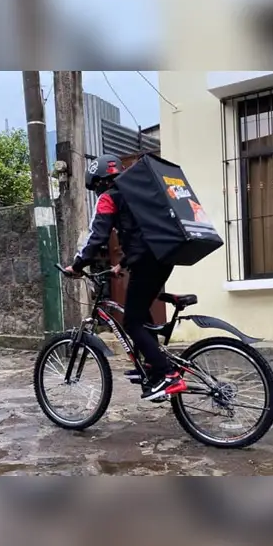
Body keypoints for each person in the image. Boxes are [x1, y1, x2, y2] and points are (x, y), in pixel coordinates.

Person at [63, 154, 187, 402]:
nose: (97, 193)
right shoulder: (133, 193)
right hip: (163, 257)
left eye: (95, 187)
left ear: (98, 181)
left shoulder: (109, 197)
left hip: (147, 262)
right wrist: (123, 263)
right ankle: (152, 367)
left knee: (131, 321)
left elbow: (97, 237)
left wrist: (77, 265)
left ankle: (168, 374)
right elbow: (143, 233)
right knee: (141, 314)